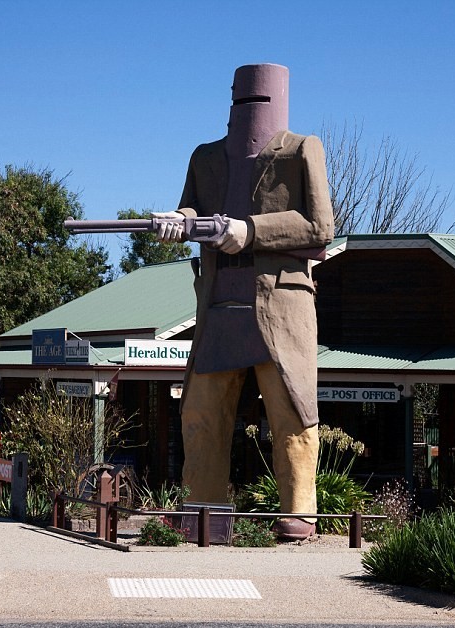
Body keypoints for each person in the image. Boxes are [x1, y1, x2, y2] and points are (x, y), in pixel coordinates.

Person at [154, 63, 334, 540]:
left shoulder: (302, 149)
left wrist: (249, 230)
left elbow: (320, 226)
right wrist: (178, 220)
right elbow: (192, 209)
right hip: (218, 305)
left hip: (281, 308)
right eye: (242, 97)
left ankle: (299, 512)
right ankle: (203, 510)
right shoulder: (205, 157)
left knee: (292, 411)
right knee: (200, 412)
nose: (248, 106)